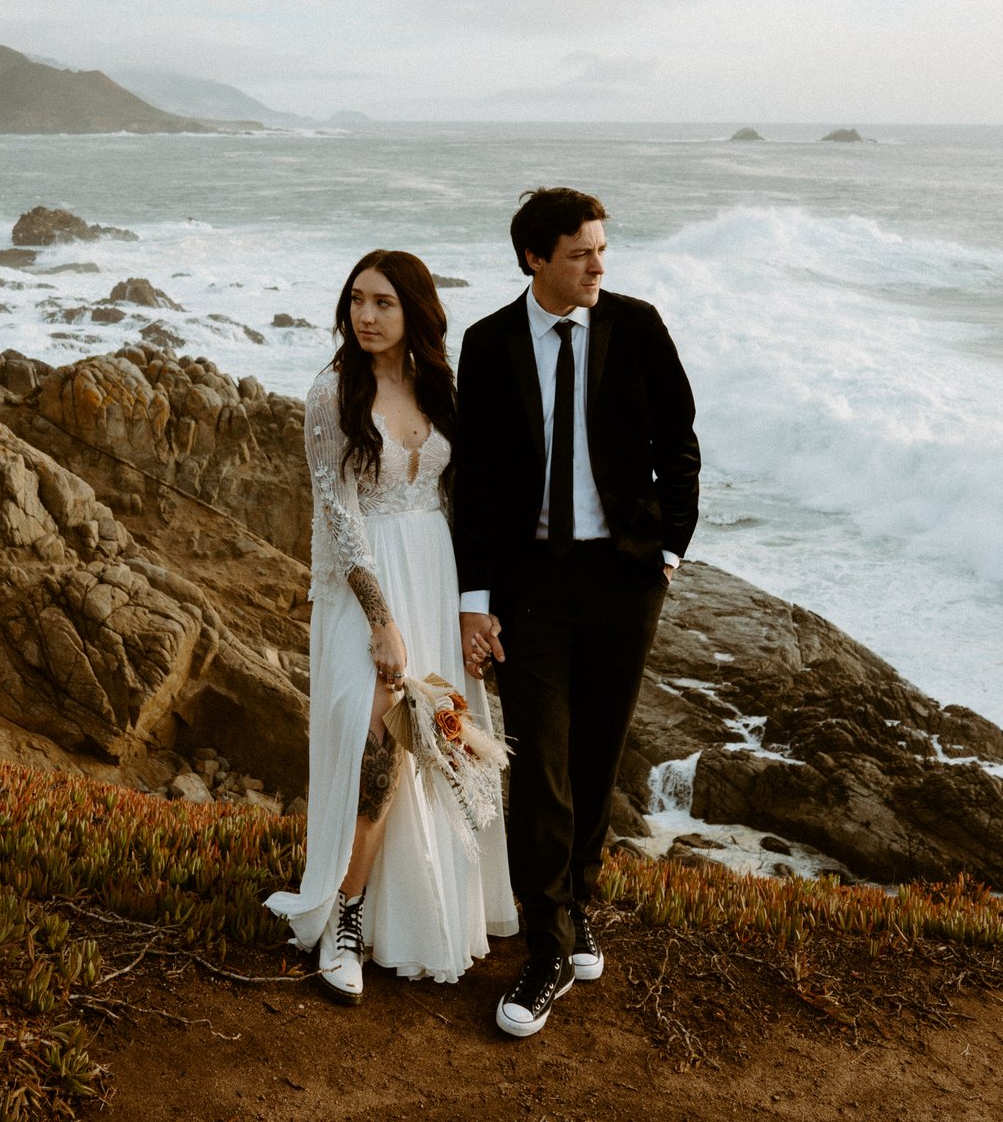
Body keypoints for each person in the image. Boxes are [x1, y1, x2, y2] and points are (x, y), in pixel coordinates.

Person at [453, 187, 700, 1038]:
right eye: (581, 253)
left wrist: (667, 552)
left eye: (603, 249)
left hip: (624, 580)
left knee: (596, 760)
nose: (600, 265)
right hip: (532, 589)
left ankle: (578, 899)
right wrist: (474, 601)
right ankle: (547, 945)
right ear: (534, 258)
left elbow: (681, 441)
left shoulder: (638, 326)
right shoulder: (487, 345)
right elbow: (476, 483)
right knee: (543, 770)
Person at [264, 250, 515, 1001]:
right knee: (379, 732)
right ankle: (343, 913)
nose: (365, 317)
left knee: (435, 735)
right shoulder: (329, 393)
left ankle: (425, 908)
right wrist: (382, 622)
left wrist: (477, 601)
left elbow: (465, 498)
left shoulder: (441, 388)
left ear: (414, 312)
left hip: (434, 571)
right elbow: (339, 519)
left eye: (382, 303)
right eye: (356, 301)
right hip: (364, 581)